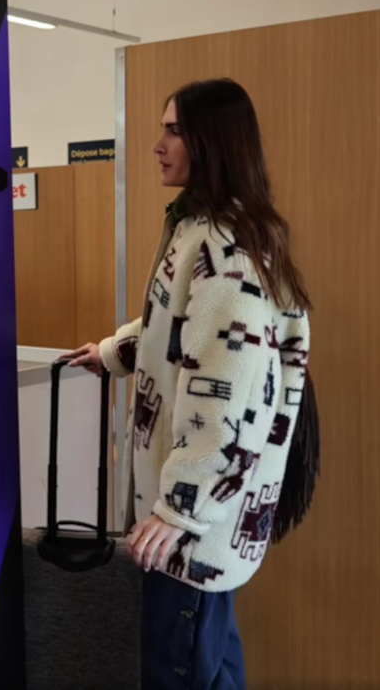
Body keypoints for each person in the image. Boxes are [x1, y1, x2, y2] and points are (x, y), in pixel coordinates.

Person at [65, 79, 319, 689]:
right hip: (208, 518)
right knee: (212, 661)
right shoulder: (203, 226)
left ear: (212, 142)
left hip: (196, 524)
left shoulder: (225, 250)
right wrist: (113, 353)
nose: (157, 145)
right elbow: (171, 326)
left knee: (177, 670)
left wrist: (180, 508)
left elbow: (223, 387)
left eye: (173, 131)